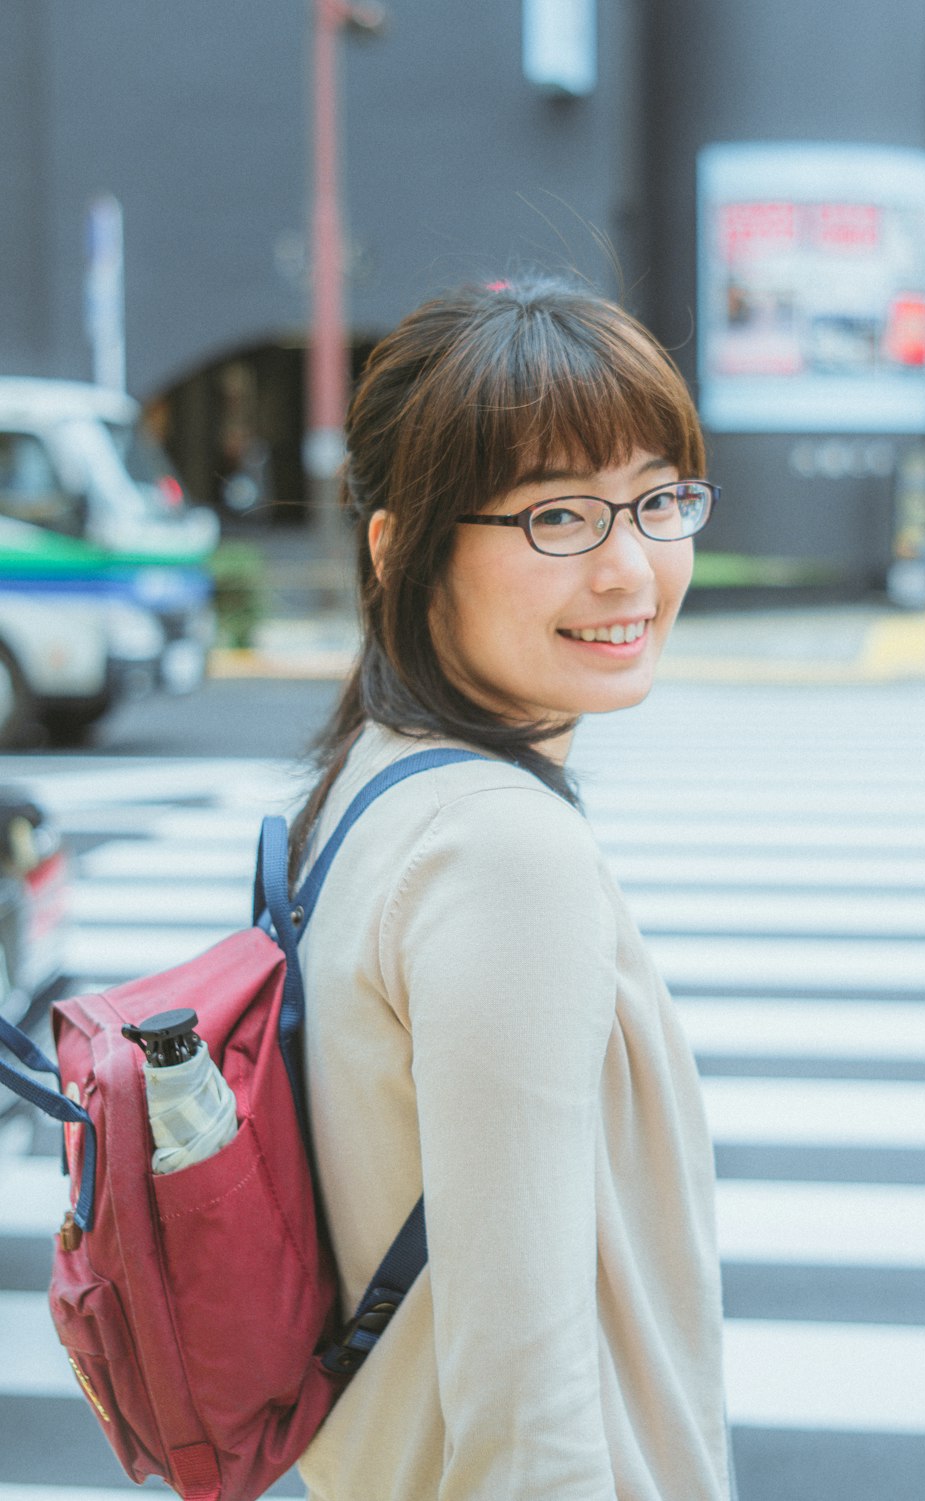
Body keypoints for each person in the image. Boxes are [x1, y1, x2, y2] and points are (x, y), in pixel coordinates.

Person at [293, 276, 735, 1500]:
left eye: (658, 498)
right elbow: (523, 1402)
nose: (629, 569)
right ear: (398, 551)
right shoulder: (502, 853)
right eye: (556, 517)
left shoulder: (373, 784)